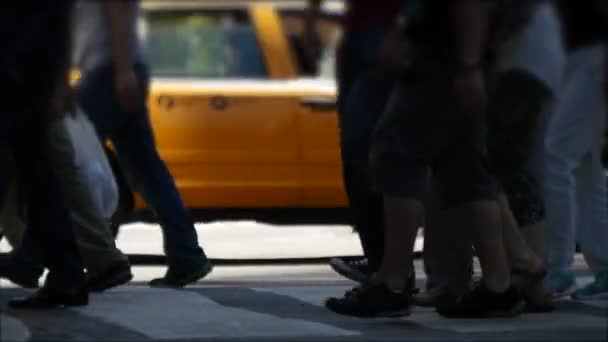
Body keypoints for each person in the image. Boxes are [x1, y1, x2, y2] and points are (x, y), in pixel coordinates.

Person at [326, 0, 524, 318]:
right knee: (465, 168)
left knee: (397, 157)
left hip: (440, 62)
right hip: (456, 58)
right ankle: (499, 286)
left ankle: (392, 282)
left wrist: (467, 64)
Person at [417, 0, 565, 313]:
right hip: (526, 60)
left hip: (513, 63)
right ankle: (528, 280)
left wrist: (469, 62)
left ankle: (522, 272)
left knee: (486, 166)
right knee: (510, 168)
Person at [73, 0, 212, 287]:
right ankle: (186, 255)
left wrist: (123, 71)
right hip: (113, 70)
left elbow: (119, 8)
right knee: (147, 170)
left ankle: (43, 256)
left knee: (68, 162)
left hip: (109, 73)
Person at [305, 0, 414, 287]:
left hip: (384, 33)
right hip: (365, 33)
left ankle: (391, 271)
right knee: (360, 158)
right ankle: (384, 264)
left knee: (371, 156)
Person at [0, 0, 89, 309]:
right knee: (38, 175)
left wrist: (59, 82)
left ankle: (64, 272)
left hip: (19, 69)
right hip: (28, 68)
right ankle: (65, 273)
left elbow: (59, 16)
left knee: (38, 175)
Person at [0, 111, 133, 293]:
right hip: (36, 93)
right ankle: (40, 261)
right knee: (48, 168)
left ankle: (41, 262)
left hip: (32, 92)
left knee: (55, 168)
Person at [544, 0, 608, 300]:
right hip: (576, 53)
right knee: (585, 168)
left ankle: (558, 267)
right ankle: (602, 266)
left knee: (555, 157)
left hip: (592, 53)